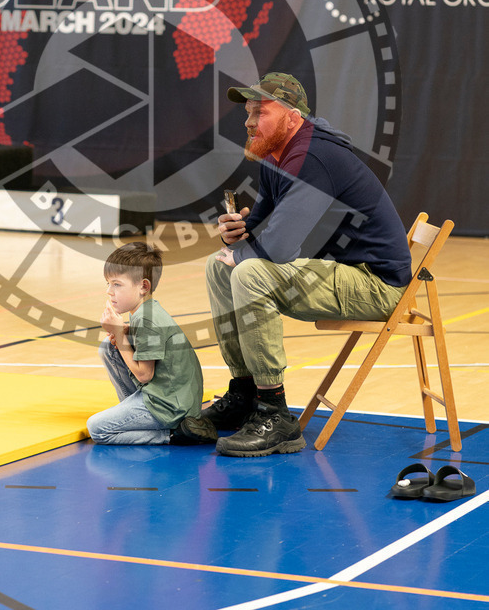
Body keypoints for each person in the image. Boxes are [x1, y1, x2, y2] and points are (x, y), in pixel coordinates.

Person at [202, 71, 412, 457]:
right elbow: (260, 228)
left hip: (377, 286)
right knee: (220, 267)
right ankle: (246, 393)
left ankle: (275, 414)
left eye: (259, 112)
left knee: (248, 272)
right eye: (247, 112)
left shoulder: (314, 155)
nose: (248, 122)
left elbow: (279, 248)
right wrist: (235, 232)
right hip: (340, 273)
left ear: (291, 115)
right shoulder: (277, 153)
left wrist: (244, 253)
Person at [86, 241, 218, 445]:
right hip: (171, 397)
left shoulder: (147, 319)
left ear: (143, 286)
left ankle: (174, 434)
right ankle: (135, 411)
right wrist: (122, 336)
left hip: (171, 407)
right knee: (108, 347)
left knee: (98, 429)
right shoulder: (145, 312)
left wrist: (120, 336)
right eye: (108, 284)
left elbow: (144, 375)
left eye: (117, 284)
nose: (109, 291)